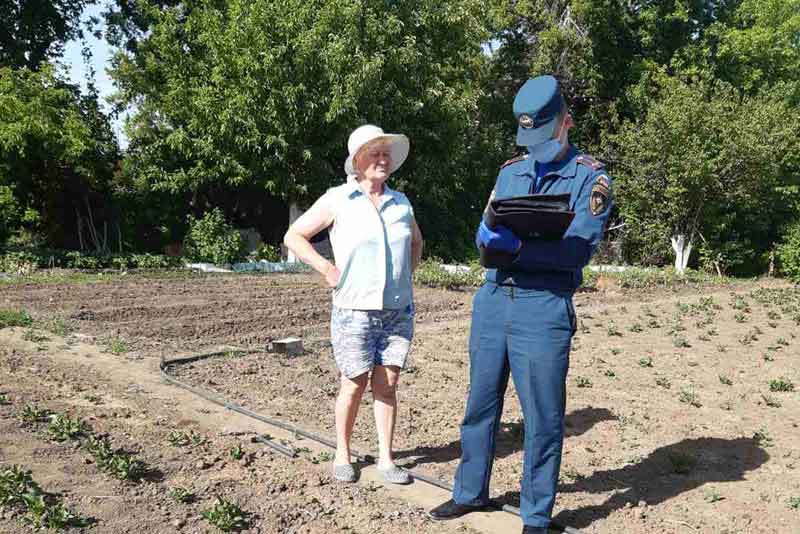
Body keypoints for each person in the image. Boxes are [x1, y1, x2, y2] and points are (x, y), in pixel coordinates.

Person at [428, 75, 613, 533]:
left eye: (543, 136)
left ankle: (535, 514)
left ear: (565, 123)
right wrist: (486, 241)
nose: (536, 147)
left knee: (543, 417)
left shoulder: (590, 178)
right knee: (480, 404)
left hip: (542, 307)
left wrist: (517, 251)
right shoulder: (510, 171)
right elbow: (486, 229)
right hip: (493, 300)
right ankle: (470, 492)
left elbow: (576, 250)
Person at [284, 124, 424, 485]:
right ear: (357, 161)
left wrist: (405, 277)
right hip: (354, 309)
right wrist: (326, 267)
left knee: (388, 385)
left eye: (386, 155)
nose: (383, 161)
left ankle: (387, 459)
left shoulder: (401, 202)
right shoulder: (337, 199)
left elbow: (415, 243)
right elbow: (294, 236)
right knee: (354, 382)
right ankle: (342, 453)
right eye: (375, 154)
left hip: (397, 311)